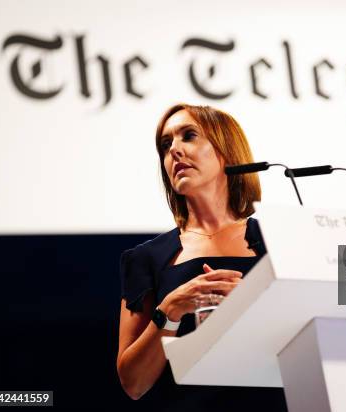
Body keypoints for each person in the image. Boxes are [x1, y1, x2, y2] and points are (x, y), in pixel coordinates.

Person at [116, 103, 287, 411]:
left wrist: (254, 309)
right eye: (166, 145)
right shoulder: (146, 258)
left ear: (226, 150)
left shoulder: (283, 240)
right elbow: (134, 383)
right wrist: (169, 310)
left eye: (189, 136)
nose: (174, 151)